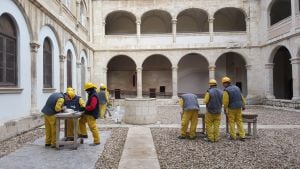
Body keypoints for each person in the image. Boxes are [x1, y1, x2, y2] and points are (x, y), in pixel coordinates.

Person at [222, 76, 246, 141]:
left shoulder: (226, 90)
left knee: (231, 122)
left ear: (225, 83)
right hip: (239, 107)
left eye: (223, 84)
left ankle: (233, 136)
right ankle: (242, 135)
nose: (223, 85)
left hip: (231, 108)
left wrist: (225, 109)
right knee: (239, 121)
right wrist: (243, 105)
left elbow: (226, 101)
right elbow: (242, 97)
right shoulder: (237, 88)